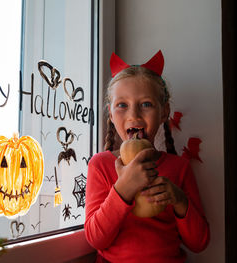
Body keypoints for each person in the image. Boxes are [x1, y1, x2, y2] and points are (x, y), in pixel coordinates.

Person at [84, 51, 210, 263]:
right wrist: (123, 188)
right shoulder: (100, 165)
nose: (134, 115)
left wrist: (179, 200)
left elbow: (199, 242)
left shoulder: (179, 168)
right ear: (111, 114)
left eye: (146, 104)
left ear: (164, 112)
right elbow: (96, 239)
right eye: (122, 105)